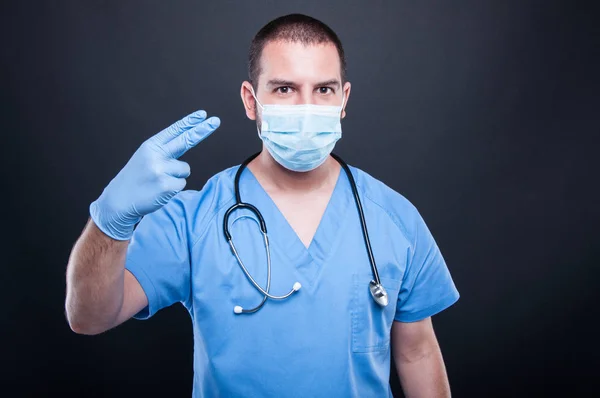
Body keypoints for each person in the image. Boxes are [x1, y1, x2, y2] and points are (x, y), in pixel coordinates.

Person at [65, 13, 460, 398]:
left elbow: (416, 351)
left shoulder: (394, 218)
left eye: (323, 90)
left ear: (343, 100)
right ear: (251, 101)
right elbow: (89, 317)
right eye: (285, 89)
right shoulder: (193, 218)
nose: (307, 108)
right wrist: (111, 222)